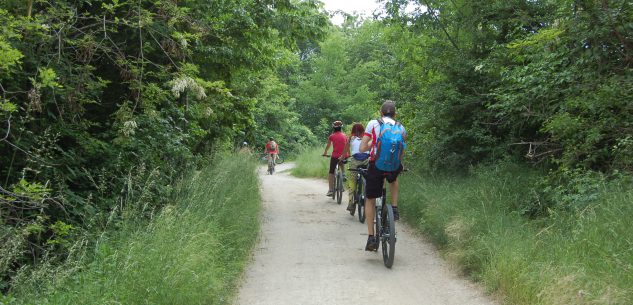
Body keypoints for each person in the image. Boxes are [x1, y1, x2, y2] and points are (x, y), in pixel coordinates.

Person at [359, 100, 406, 251]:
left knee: (370, 199)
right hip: (393, 166)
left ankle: (371, 237)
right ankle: (394, 207)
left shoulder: (373, 123)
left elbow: (362, 148)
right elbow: (401, 150)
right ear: (395, 114)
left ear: (381, 113)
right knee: (394, 178)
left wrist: (372, 144)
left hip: (376, 165)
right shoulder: (400, 127)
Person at [342, 123, 369, 214]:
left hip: (355, 161)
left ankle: (350, 203)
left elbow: (345, 150)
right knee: (368, 178)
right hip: (366, 160)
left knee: (352, 181)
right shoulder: (368, 137)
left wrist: (342, 158)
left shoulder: (351, 138)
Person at [322, 121, 347, 197]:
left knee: (331, 172)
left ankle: (330, 190)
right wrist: (347, 154)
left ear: (333, 128)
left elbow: (328, 145)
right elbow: (347, 146)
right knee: (341, 162)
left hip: (335, 156)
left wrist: (325, 152)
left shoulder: (332, 136)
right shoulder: (345, 136)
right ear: (341, 127)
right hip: (344, 155)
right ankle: (343, 175)